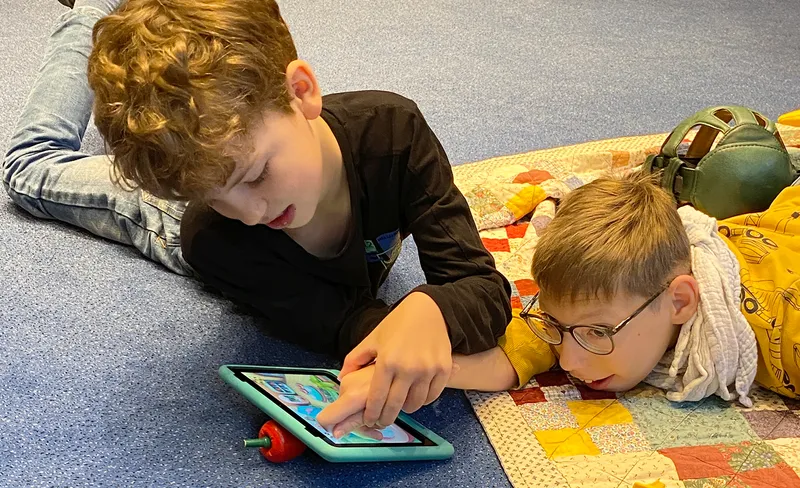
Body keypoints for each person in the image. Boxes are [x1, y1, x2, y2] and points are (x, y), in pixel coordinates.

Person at [2, 0, 512, 432]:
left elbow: (481, 285)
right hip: (176, 219)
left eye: (257, 174)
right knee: (28, 167)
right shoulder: (222, 234)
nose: (250, 212)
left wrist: (432, 310)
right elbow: (346, 324)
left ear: (302, 91)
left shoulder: (395, 132)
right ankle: (89, 18)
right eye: (220, 193)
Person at [319, 171, 800, 437]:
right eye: (558, 326)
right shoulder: (600, 306)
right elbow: (515, 350)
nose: (570, 360)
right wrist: (391, 378)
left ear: (679, 302)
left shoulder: (786, 338)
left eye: (597, 333)